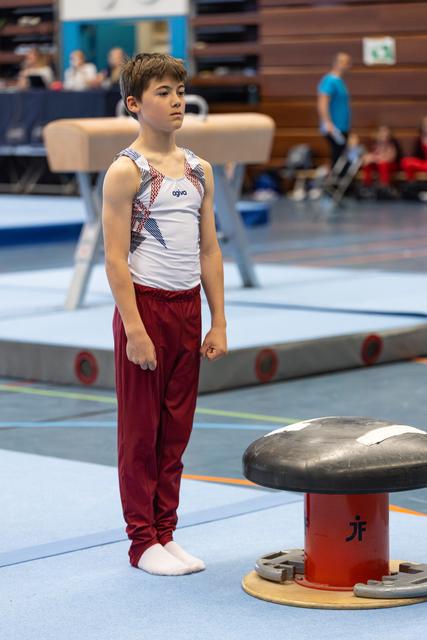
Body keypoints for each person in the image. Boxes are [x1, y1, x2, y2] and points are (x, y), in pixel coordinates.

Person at [102, 53, 228, 576]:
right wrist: (134, 329)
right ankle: (141, 541)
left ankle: (165, 531)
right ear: (134, 104)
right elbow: (114, 259)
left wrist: (218, 319)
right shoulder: (126, 171)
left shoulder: (200, 170)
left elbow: (210, 250)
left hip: (188, 309)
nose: (176, 99)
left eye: (179, 89)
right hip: (146, 309)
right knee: (140, 433)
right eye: (162, 91)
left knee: (176, 431)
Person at [317, 52, 352, 166]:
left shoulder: (340, 81)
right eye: (345, 62)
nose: (347, 65)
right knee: (337, 157)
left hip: (343, 125)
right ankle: (334, 182)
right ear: (337, 63)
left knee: (342, 156)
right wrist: (327, 123)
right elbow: (322, 102)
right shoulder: (329, 80)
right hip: (334, 127)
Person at [361, 125, 401, 195]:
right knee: (367, 164)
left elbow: (390, 158)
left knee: (383, 164)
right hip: (378, 164)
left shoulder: (392, 143)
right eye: (381, 132)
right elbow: (370, 155)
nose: (383, 134)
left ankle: (384, 186)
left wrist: (376, 158)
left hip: (390, 165)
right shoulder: (375, 143)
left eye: (385, 132)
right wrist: (370, 158)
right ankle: (367, 185)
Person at [401, 116, 427, 181]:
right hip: (423, 164)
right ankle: (411, 184)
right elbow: (416, 155)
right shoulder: (419, 140)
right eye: (425, 125)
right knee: (406, 162)